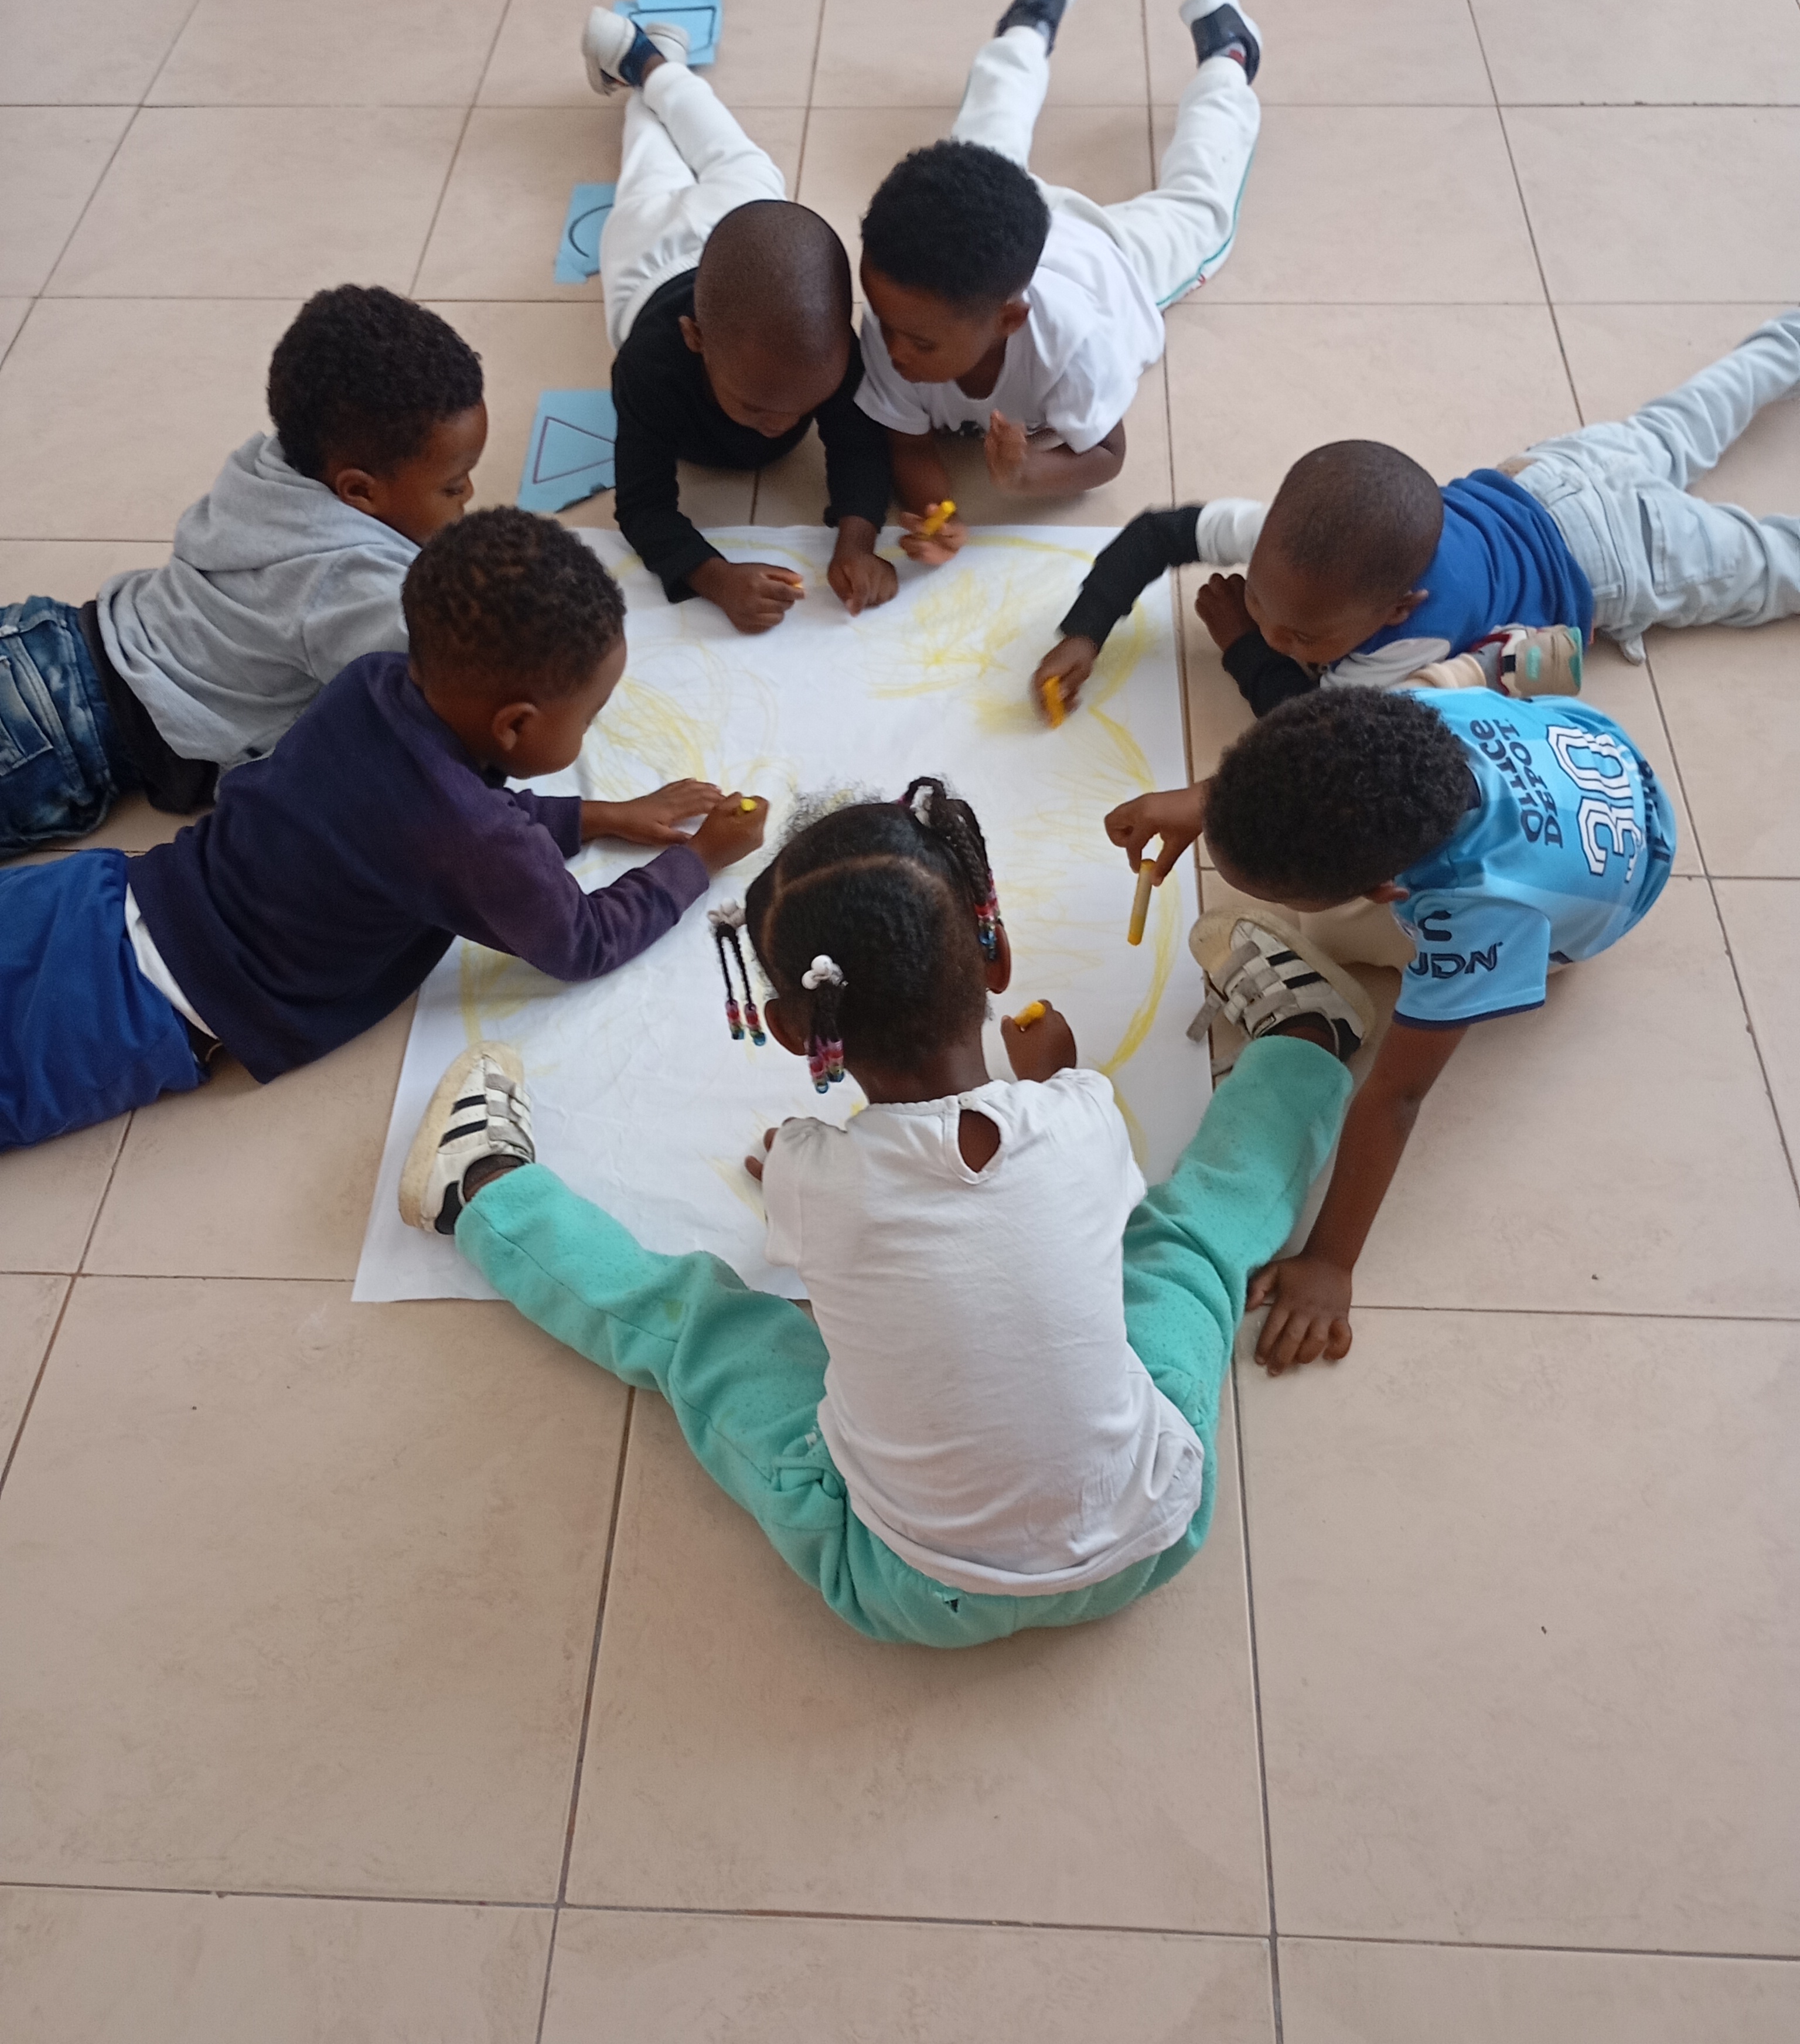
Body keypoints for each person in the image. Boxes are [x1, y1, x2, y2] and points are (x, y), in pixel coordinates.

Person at [398, 774, 1359, 1648]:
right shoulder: (1082, 1116)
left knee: (703, 1333)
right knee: (1189, 1241)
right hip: (1155, 1530)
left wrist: (801, 1167)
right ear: (995, 955)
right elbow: (1035, 1191)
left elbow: (843, 1238)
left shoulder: (814, 1178)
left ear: (792, 1029)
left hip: (912, 1587)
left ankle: (484, 1192)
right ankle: (1308, 1041)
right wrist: (1058, 1082)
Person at [0, 509, 766, 1152]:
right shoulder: (470, 838)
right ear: (514, 725)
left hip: (96, 895)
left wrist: (598, 816)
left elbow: (433, 822)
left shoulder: (370, 684)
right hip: (137, 1011)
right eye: (590, 717)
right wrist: (699, 859)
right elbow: (582, 941)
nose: (591, 729)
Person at [1106, 683, 1677, 1377]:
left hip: (1608, 893)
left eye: (1265, 888)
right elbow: (1305, 758)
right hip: (1595, 757)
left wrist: (1330, 1262)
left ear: (1385, 890)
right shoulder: (1408, 725)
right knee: (1330, 803)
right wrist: (1205, 803)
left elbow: (1398, 1097)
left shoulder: (1477, 912)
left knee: (1327, 936)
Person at [1032, 306, 1800, 720]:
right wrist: (1085, 630)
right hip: (1558, 475)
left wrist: (1241, 644)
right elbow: (1158, 533)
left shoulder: (1410, 642)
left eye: (1306, 638)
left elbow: (1310, 726)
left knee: (1771, 566)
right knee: (1697, 409)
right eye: (1262, 606)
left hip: (1619, 559)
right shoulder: (1288, 539)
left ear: (1397, 607)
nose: (1277, 634)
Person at [0, 285, 488, 855]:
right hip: (61, 738)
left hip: (48, 639)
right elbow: (449, 696)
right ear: (358, 490)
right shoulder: (351, 585)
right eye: (453, 485)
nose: (470, 495)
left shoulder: (274, 463)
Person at [854, 0, 1262, 544]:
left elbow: (1108, 455)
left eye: (920, 344)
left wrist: (1028, 474)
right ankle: (1028, 27)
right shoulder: (904, 311)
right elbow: (908, 443)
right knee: (980, 144)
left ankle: (1229, 60)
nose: (892, 351)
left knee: (1201, 210)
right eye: (882, 320)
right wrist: (939, 514)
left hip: (1115, 256)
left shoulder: (1075, 344)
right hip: (1002, 230)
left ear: (1009, 320)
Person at [581, 7, 895, 635]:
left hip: (744, 211)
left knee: (724, 147)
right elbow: (642, 505)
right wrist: (716, 577)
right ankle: (647, 71)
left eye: (804, 406)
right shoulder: (649, 368)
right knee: (650, 159)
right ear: (695, 341)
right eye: (755, 406)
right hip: (649, 252)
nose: (781, 424)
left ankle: (651, 63)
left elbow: (861, 445)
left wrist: (857, 541)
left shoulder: (828, 352)